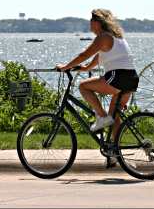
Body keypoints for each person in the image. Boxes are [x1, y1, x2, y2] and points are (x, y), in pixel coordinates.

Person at [56, 9, 139, 162]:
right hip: (131, 79)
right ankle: (115, 151)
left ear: (96, 23)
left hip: (117, 77)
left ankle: (101, 117)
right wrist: (86, 68)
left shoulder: (103, 37)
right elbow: (98, 57)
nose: (89, 24)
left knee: (83, 86)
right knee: (114, 116)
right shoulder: (116, 37)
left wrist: (66, 67)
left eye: (90, 21)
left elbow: (84, 55)